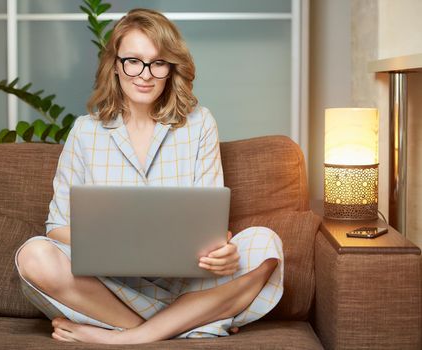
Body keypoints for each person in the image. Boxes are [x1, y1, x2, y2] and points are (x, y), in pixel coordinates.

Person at [15, 8, 283, 344]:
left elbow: (209, 222)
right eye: (133, 61)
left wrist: (222, 252)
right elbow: (56, 226)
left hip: (185, 282)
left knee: (266, 245)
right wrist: (116, 241)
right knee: (34, 256)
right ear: (115, 64)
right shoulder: (85, 131)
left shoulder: (199, 123)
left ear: (171, 69)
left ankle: (125, 336)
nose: (145, 74)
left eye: (158, 63)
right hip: (110, 285)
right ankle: (173, 326)